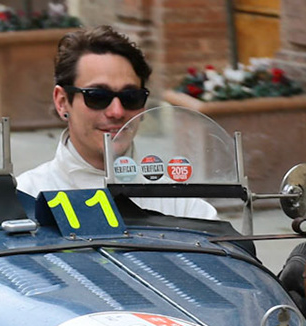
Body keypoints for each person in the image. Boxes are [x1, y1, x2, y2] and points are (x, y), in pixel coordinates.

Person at [16, 25, 218, 221]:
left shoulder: (181, 205)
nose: (117, 112)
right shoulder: (25, 199)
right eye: (97, 96)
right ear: (62, 102)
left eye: (131, 97)